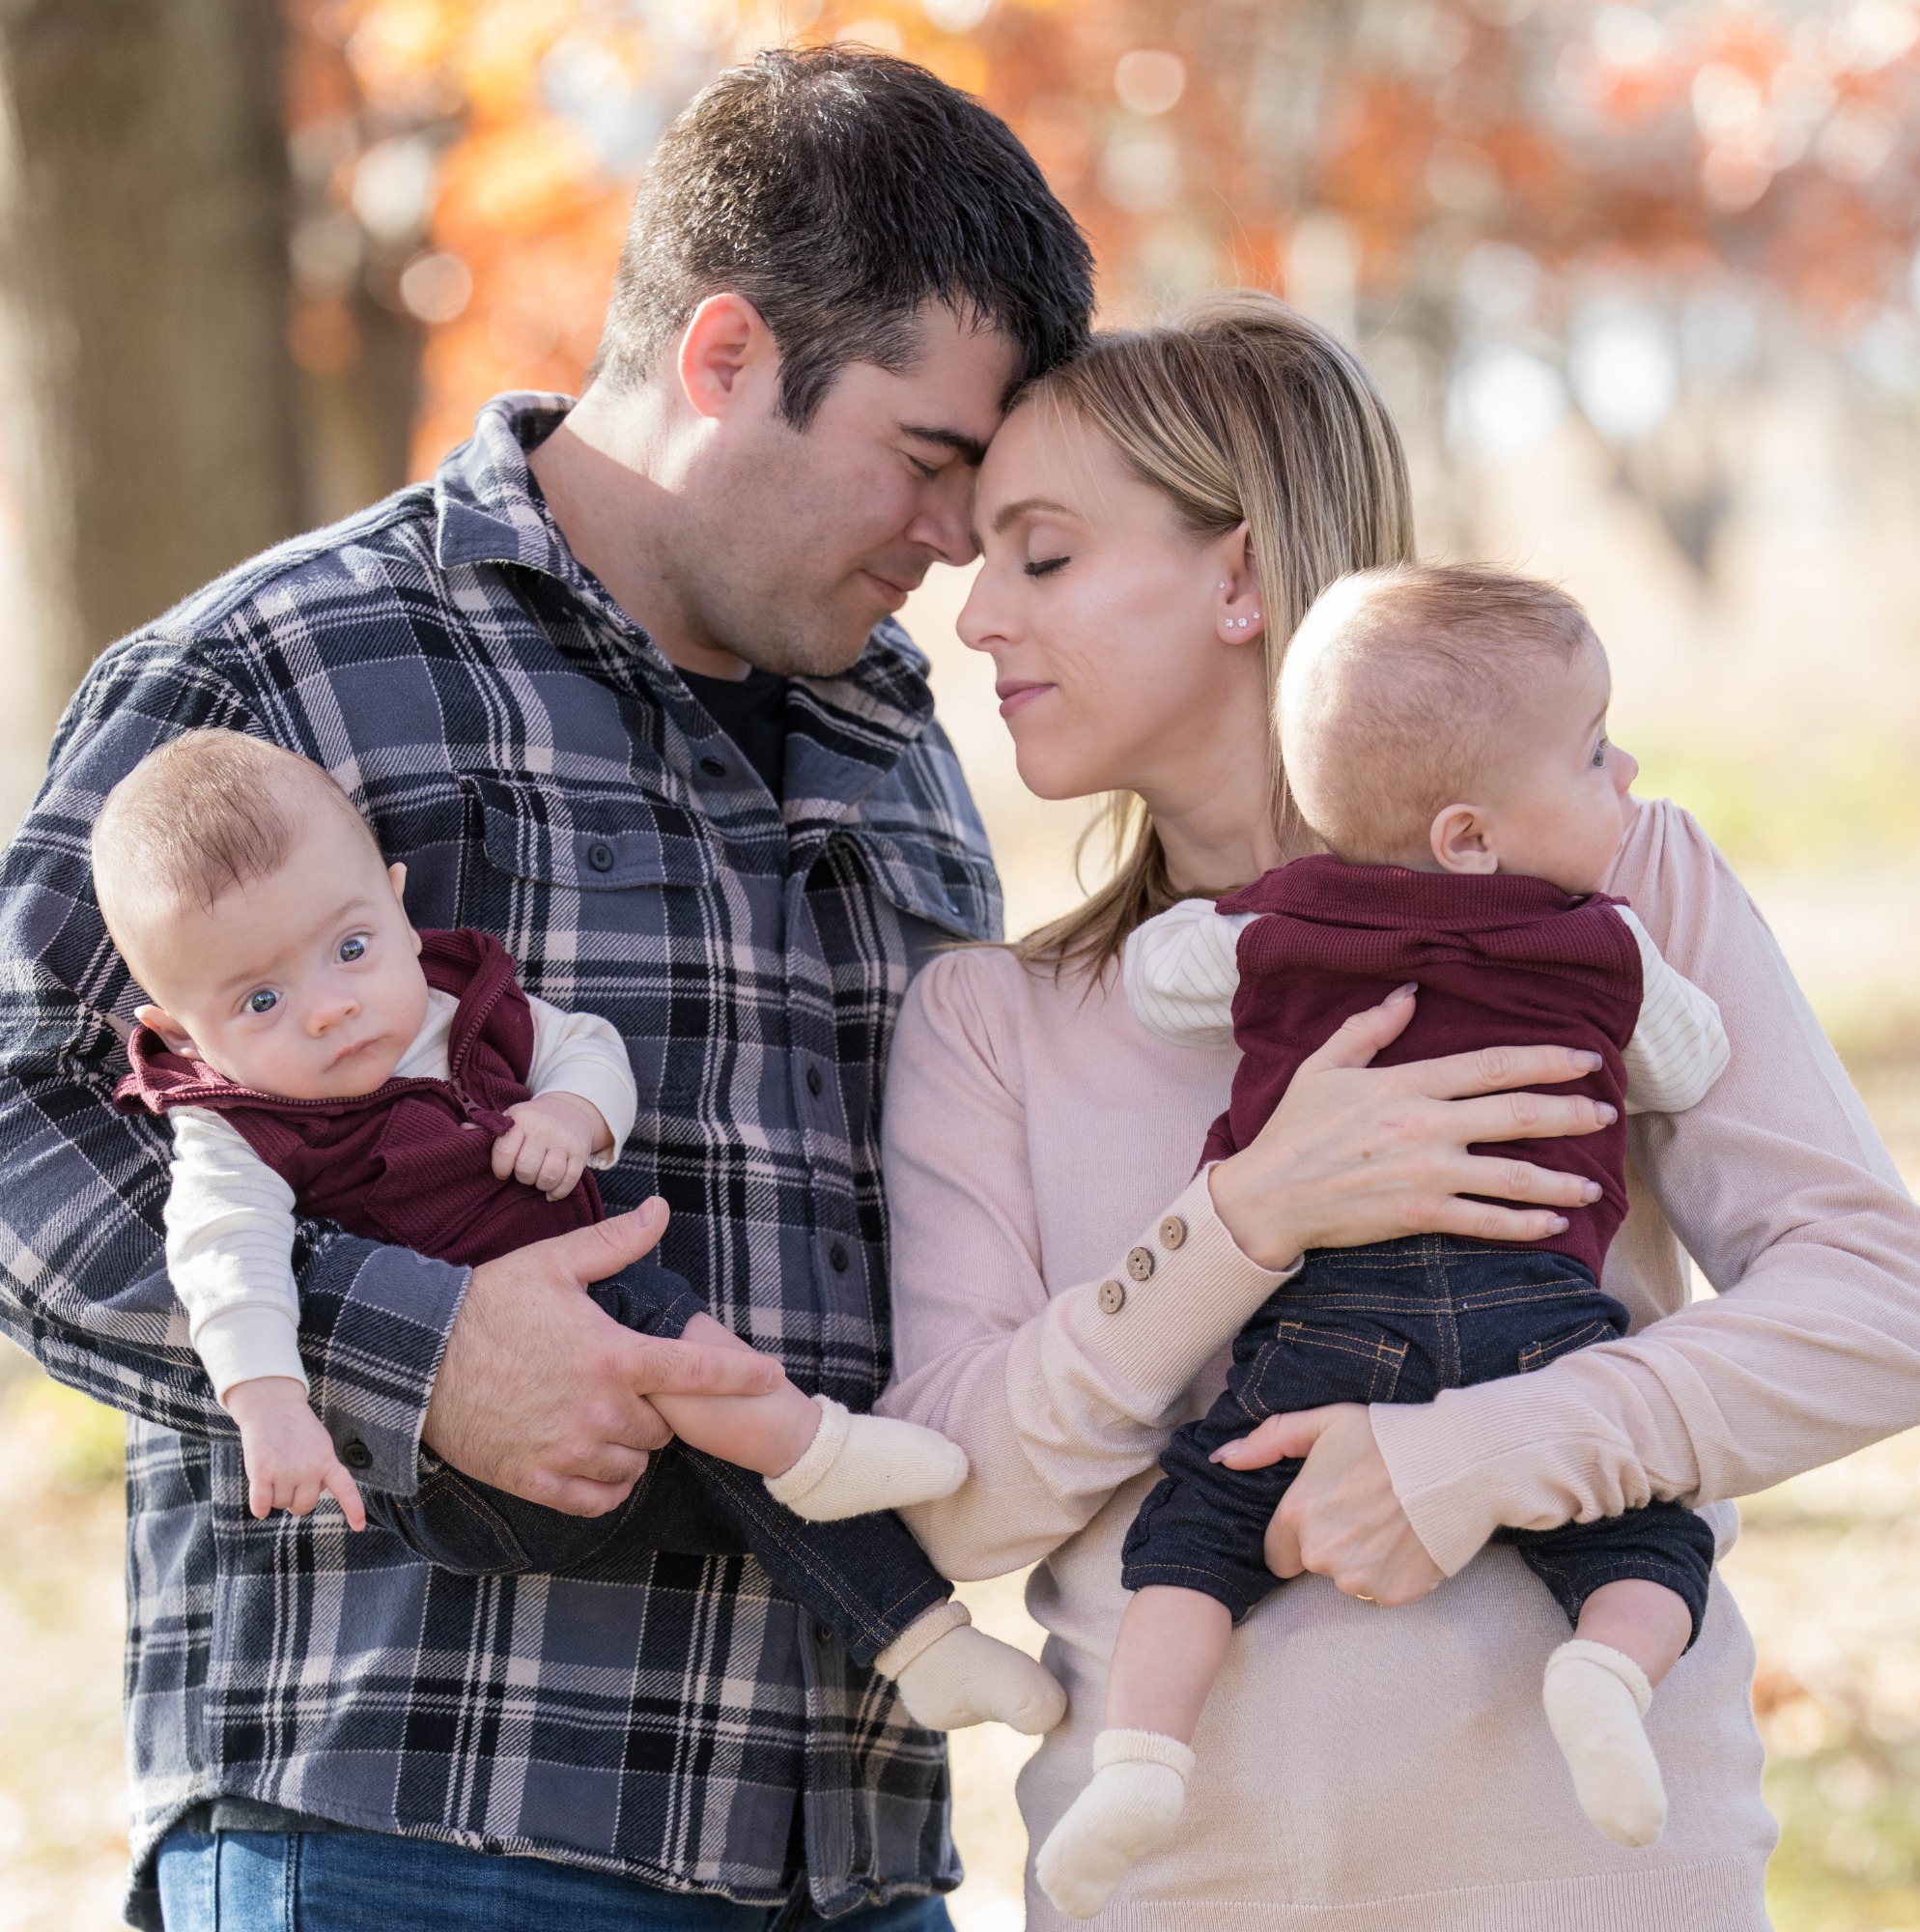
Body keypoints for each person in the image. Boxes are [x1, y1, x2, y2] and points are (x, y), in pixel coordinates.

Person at [0, 46, 1097, 1932]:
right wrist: (417, 1349)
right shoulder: (289, 663)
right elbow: (21, 1110)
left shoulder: (903, 742)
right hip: (414, 1836)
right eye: (926, 460)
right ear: (726, 353)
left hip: (853, 1850)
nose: (950, 536)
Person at [877, 291, 1920, 1931]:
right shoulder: (992, 1021)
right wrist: (1238, 1224)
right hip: (1173, 1899)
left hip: (1593, 1887)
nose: (976, 614)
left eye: (1045, 556)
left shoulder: (1608, 884)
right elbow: (956, 1499)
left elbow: (1876, 1309)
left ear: (1238, 578)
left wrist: (1478, 1456)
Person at [94, 727, 1063, 1737]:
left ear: (395, 903)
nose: (330, 1008)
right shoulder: (236, 1128)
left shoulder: (455, 1007)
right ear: (180, 1031)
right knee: (655, 1322)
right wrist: (271, 1405)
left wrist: (568, 1115)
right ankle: (816, 1445)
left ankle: (923, 1641)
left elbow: (586, 1048)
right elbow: (223, 1263)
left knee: (749, 1490)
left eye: (350, 948)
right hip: (467, 1477)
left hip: (604, 1426)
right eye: (261, 999)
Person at [1035, 564, 1730, 1916]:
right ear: (1469, 835)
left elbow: (1160, 984)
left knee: (1198, 1523)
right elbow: (1689, 1065)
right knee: (1649, 1534)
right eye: (1594, 753)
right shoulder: (1606, 942)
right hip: (1539, 1316)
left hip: (1326, 1320)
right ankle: (1606, 1671)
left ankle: (1142, 1760)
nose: (1627, 773)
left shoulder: (1281, 922)